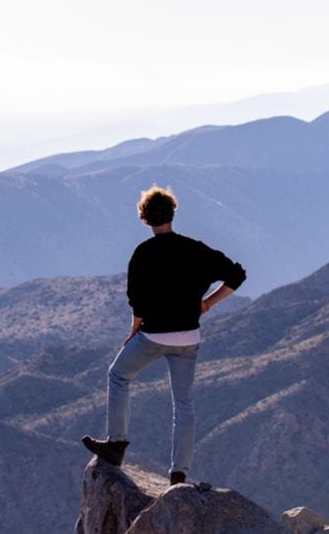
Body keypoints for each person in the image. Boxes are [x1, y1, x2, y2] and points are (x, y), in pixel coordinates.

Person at [82, 185, 246, 485]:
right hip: (188, 337)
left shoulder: (143, 254)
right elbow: (237, 274)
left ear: (144, 218)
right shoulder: (195, 249)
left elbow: (137, 304)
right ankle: (179, 473)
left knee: (118, 375)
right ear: (172, 213)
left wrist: (133, 331)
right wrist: (208, 303)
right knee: (183, 404)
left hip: (154, 336)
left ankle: (117, 444)